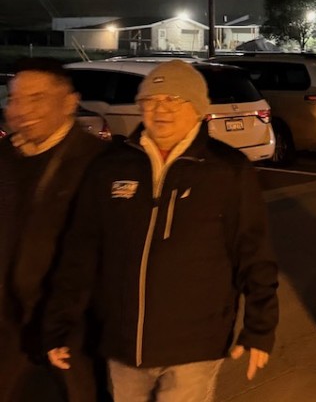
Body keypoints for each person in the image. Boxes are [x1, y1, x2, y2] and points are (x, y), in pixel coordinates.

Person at [42, 60, 280, 402]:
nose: (161, 110)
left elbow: (254, 254)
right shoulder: (112, 166)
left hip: (196, 346)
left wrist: (260, 328)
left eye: (174, 100)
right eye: (151, 101)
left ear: (197, 109)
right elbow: (81, 252)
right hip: (124, 345)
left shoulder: (227, 171)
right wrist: (59, 323)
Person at [0, 58, 107, 402]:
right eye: (15, 98)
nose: (21, 109)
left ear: (69, 102)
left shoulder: (100, 163)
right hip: (6, 327)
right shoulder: (4, 156)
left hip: (69, 330)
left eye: (36, 98)